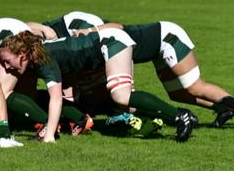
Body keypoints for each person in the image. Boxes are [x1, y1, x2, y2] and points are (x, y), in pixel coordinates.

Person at [0, 31, 197, 142]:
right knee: (122, 102)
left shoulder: (43, 59)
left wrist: (49, 135)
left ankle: (181, 116)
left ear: (22, 55)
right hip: (100, 52)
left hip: (110, 43)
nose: (6, 67)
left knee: (121, 95)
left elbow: (56, 97)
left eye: (8, 61)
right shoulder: (36, 55)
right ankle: (166, 116)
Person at [75, 21, 234, 127]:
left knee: (194, 87)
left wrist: (90, 30)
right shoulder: (99, 47)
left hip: (167, 37)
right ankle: (224, 108)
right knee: (177, 94)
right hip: (157, 51)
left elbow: (119, 26)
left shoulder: (101, 37)